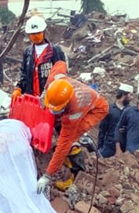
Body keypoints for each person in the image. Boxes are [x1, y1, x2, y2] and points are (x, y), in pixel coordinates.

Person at [36, 62, 109, 195]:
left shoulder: (75, 111)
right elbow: (60, 64)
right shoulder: (54, 79)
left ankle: (73, 174)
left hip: (97, 109)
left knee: (69, 141)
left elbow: (64, 142)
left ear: (66, 104)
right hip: (69, 102)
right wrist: (45, 92)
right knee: (59, 130)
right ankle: (60, 162)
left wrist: (47, 175)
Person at [13, 15, 67, 100]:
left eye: (38, 33)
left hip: (50, 97)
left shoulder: (55, 50)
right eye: (32, 34)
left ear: (44, 32)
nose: (36, 36)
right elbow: (23, 73)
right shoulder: (28, 52)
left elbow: (61, 74)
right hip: (32, 98)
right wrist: (18, 87)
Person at [97, 83, 133, 158]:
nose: (132, 98)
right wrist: (99, 146)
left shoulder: (131, 110)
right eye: (130, 95)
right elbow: (102, 129)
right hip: (109, 145)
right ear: (124, 95)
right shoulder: (109, 109)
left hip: (126, 147)